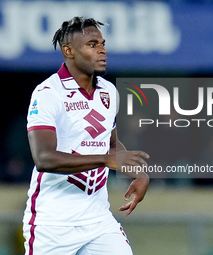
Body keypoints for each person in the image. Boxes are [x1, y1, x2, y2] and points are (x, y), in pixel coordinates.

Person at [23, 16, 150, 255]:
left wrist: (138, 172)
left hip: (98, 220)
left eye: (102, 44)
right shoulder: (48, 93)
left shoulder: (109, 91)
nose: (102, 50)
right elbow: (44, 158)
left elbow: (111, 143)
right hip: (53, 224)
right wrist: (105, 160)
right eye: (92, 44)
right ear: (68, 51)